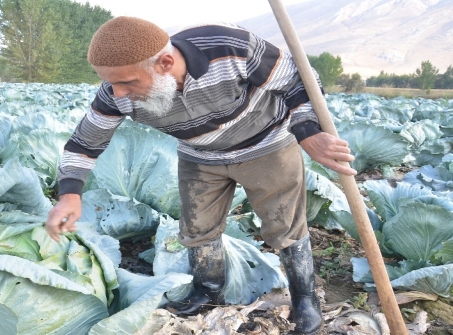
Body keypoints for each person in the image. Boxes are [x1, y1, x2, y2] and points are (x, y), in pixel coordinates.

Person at [45, 16, 356, 335]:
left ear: (165, 63)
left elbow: (296, 78)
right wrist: (69, 193)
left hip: (266, 145)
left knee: (284, 224)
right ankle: (208, 291)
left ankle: (305, 300)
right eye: (111, 83)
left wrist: (308, 131)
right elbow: (85, 141)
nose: (119, 92)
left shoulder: (228, 49)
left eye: (128, 82)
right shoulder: (116, 93)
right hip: (200, 156)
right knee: (198, 228)